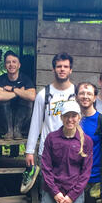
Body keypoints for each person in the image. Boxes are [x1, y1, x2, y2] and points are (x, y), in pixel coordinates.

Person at [22, 53, 76, 193]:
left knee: (70, 191)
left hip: (71, 150)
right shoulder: (43, 94)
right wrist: (29, 151)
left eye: (66, 66)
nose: (62, 69)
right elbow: (35, 124)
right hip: (47, 151)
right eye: (59, 66)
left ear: (71, 70)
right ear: (53, 69)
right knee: (47, 192)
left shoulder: (77, 93)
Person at [0, 51, 36, 140]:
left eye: (14, 62)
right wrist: (19, 92)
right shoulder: (0, 80)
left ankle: (17, 130)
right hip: (3, 120)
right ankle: (9, 131)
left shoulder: (26, 79)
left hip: (22, 120)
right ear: (5, 65)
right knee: (4, 100)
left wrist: (13, 89)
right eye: (8, 62)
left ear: (19, 65)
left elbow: (32, 96)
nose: (11, 64)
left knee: (27, 99)